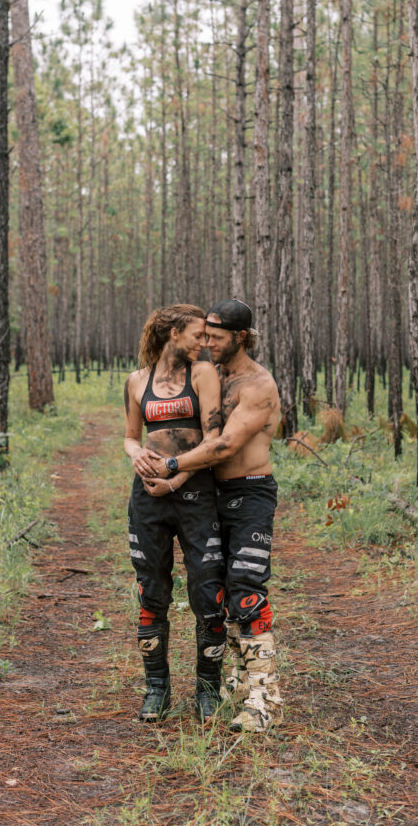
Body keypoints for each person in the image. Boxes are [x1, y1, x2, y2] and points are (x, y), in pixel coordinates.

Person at [144, 299, 284, 733]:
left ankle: (265, 698)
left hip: (250, 493)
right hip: (208, 494)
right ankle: (238, 683)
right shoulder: (209, 376)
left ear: (240, 337)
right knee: (215, 591)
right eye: (204, 336)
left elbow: (223, 446)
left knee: (245, 590)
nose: (207, 344)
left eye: (216, 338)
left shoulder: (257, 384)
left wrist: (170, 467)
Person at [124, 304, 226, 723]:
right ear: (172, 333)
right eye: (198, 334)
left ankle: (206, 691)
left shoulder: (202, 375)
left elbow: (214, 437)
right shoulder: (137, 381)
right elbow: (131, 437)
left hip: (195, 493)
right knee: (151, 591)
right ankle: (156, 690)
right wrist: (136, 456)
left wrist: (175, 477)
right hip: (148, 497)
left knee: (207, 591)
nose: (204, 342)